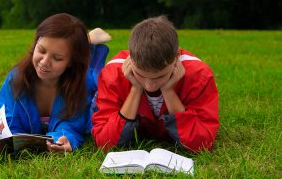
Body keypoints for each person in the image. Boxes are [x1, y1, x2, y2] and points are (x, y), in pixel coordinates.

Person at [0, 13, 111, 153]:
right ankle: (87, 41)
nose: (44, 62)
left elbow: (73, 126)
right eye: (41, 50)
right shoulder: (15, 80)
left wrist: (64, 139)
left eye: (57, 58)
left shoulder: (83, 83)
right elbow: (11, 122)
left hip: (87, 76)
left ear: (70, 62)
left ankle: (90, 46)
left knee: (97, 75)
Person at [91, 15, 219, 153]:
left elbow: (202, 144)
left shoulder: (199, 75)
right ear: (130, 58)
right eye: (140, 75)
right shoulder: (113, 75)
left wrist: (169, 91)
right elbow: (105, 143)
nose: (149, 86)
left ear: (176, 57)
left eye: (160, 76)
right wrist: (135, 89)